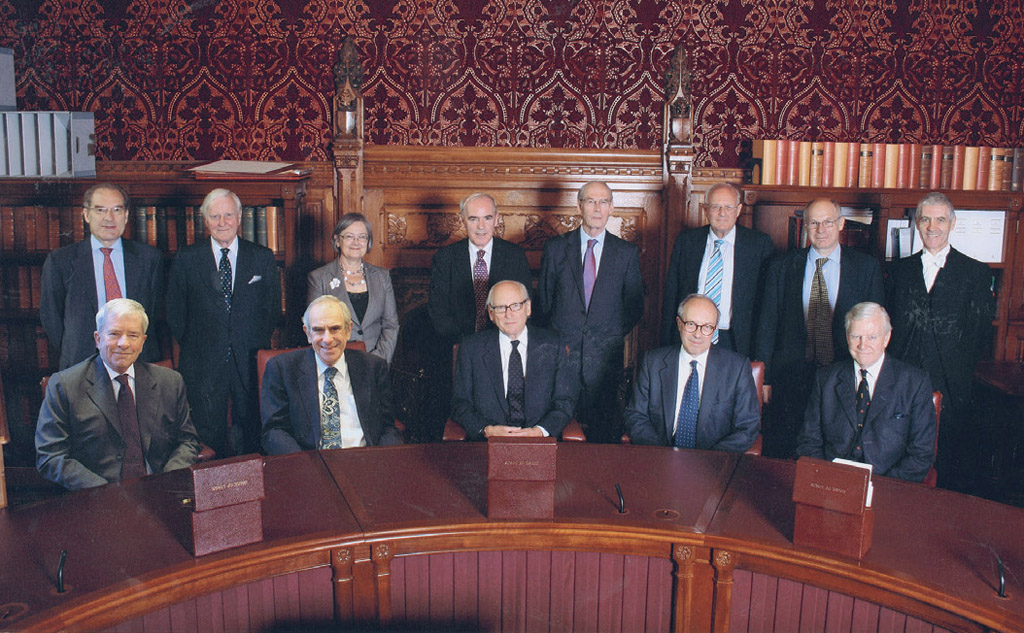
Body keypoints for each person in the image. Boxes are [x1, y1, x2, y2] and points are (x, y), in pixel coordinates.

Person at [756, 198, 884, 458]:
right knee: (787, 449)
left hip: (843, 376)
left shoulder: (866, 268)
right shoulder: (782, 266)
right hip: (790, 375)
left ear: (841, 224)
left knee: (837, 447)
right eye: (814, 223)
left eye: (828, 222)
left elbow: (876, 328)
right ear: (805, 226)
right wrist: (765, 378)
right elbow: (767, 324)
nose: (821, 229)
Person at [885, 192, 995, 488]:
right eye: (925, 219)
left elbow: (980, 332)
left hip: (953, 385)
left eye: (940, 220)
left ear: (952, 223)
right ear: (917, 224)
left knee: (948, 465)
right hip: (903, 379)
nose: (932, 226)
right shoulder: (898, 271)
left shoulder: (975, 273)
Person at [35, 299, 200, 490]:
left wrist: (167, 479)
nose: (124, 343)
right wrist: (103, 491)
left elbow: (188, 441)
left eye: (133, 335)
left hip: (160, 492)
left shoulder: (170, 382)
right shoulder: (65, 385)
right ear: (98, 339)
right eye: (114, 334)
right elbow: (50, 455)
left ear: (143, 341)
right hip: (96, 497)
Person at [166, 188, 280, 458]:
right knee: (206, 436)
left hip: (250, 360)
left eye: (228, 215)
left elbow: (271, 310)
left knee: (252, 434)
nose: (222, 222)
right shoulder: (187, 258)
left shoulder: (261, 257)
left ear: (239, 217)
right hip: (202, 363)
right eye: (214, 216)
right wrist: (203, 344)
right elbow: (175, 313)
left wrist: (246, 342)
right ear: (205, 220)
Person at [537, 181, 645, 443]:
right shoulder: (556, 248)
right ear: (579, 206)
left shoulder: (626, 253)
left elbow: (634, 305)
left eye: (603, 202)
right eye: (590, 201)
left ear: (611, 207)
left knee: (603, 434)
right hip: (562, 355)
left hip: (606, 358)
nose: (597, 208)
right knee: (558, 429)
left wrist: (608, 333)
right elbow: (544, 302)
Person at [425, 193, 532, 438]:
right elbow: (438, 311)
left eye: (487, 218)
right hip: (459, 349)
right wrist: (471, 346)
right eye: (473, 219)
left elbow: (523, 308)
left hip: (505, 349)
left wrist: (496, 342)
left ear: (497, 219)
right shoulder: (445, 258)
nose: (481, 226)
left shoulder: (514, 256)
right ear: (463, 220)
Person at [797, 302, 936, 482]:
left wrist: (880, 487)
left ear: (886, 338)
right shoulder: (825, 378)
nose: (863, 345)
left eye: (872, 337)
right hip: (832, 483)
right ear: (847, 337)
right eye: (856, 336)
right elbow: (809, 442)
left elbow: (921, 455)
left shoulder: (915, 382)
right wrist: (827, 479)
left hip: (889, 487)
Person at [40, 183, 164, 369]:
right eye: (100, 210)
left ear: (126, 215)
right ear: (86, 215)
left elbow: (153, 314)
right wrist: (77, 348)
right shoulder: (60, 260)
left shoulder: (149, 258)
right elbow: (51, 318)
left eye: (116, 209)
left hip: (137, 362)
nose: (109, 218)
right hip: (80, 364)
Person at [261, 295, 401, 453]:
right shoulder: (282, 369)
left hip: (364, 462)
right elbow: (274, 431)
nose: (327, 339)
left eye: (335, 328)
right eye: (318, 330)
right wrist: (304, 467)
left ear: (348, 330)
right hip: (310, 464)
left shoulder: (373, 367)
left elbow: (388, 427)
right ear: (307, 333)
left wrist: (385, 462)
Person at [626, 294, 759, 451]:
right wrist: (661, 454)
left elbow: (747, 426)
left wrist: (709, 460)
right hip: (660, 457)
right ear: (679, 324)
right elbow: (635, 415)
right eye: (691, 324)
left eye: (707, 327)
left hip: (712, 464)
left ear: (715, 330)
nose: (698, 334)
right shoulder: (652, 362)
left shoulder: (737, 368)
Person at [451, 280, 578, 439]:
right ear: (491, 313)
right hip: (488, 442)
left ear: (528, 308)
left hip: (539, 442)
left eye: (515, 305)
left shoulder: (553, 344)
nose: (508, 314)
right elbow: (460, 404)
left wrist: (540, 431)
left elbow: (564, 402)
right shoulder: (471, 348)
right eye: (500, 308)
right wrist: (486, 430)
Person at [660, 183, 773, 357]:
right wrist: (666, 345)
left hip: (735, 341)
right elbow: (671, 296)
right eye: (716, 207)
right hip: (692, 337)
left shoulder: (758, 245)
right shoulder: (687, 242)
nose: (722, 213)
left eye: (728, 207)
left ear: (739, 210)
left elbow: (766, 305)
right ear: (706, 209)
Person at [307, 212, 399, 363]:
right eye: (349, 236)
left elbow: (391, 325)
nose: (356, 242)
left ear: (368, 242)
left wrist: (377, 360)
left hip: (375, 363)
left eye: (362, 237)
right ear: (337, 240)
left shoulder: (382, 277)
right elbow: (316, 329)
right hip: (336, 362)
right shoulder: (319, 278)